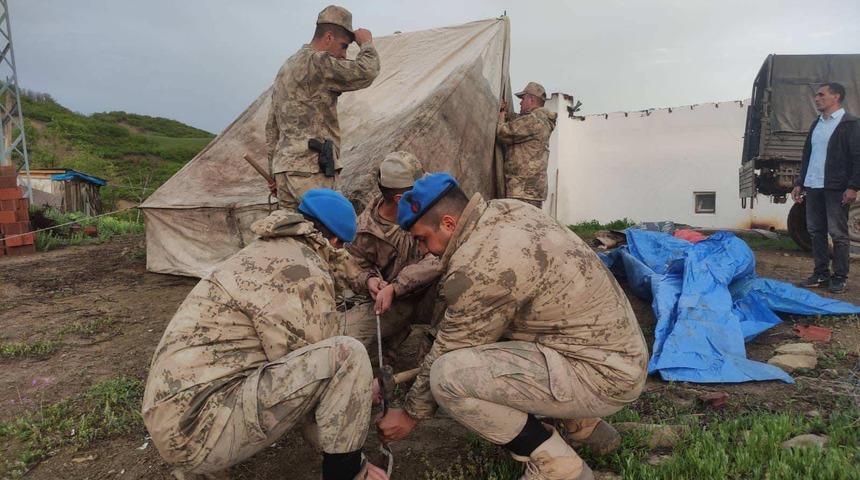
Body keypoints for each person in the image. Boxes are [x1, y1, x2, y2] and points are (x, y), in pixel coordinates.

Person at [376, 173, 649, 480]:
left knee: (447, 377)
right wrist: (400, 381)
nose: (425, 250)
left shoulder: (481, 265)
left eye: (422, 239)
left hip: (603, 375)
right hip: (614, 353)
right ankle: (584, 426)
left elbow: (451, 346)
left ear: (450, 223)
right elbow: (466, 326)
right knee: (489, 344)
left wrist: (411, 415)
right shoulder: (504, 211)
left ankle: (556, 463)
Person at [142, 190, 388, 480]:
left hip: (171, 415)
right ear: (334, 241)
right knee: (347, 356)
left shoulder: (268, 250)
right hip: (198, 433)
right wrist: (354, 447)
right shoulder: (303, 274)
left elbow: (336, 261)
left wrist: (364, 279)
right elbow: (317, 388)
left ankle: (203, 464)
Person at [265, 5, 380, 210]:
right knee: (322, 236)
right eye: (344, 46)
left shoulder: (287, 67)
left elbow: (272, 127)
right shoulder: (318, 62)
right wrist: (366, 44)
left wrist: (274, 170)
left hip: (285, 171)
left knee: (292, 236)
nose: (344, 55)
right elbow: (366, 72)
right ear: (328, 38)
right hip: (311, 172)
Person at [344, 151, 443, 361]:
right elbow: (351, 267)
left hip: (433, 294)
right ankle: (389, 348)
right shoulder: (364, 230)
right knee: (348, 335)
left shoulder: (432, 206)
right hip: (394, 304)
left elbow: (441, 258)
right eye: (419, 186)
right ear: (400, 198)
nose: (425, 190)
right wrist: (369, 280)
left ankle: (429, 359)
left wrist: (396, 286)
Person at [791, 82, 860, 294]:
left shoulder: (850, 124)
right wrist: (799, 183)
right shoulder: (817, 124)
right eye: (816, 95)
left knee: (838, 234)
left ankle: (839, 277)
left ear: (836, 97)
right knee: (815, 231)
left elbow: (858, 157)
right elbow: (807, 156)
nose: (816, 98)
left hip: (836, 187)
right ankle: (821, 274)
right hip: (813, 186)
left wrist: (853, 187)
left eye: (821, 94)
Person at [497, 82, 557, 209]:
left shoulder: (533, 120)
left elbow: (503, 133)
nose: (520, 103)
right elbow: (519, 124)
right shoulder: (542, 119)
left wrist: (501, 115)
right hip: (531, 189)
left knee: (516, 226)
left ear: (531, 99)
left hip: (522, 189)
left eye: (522, 99)